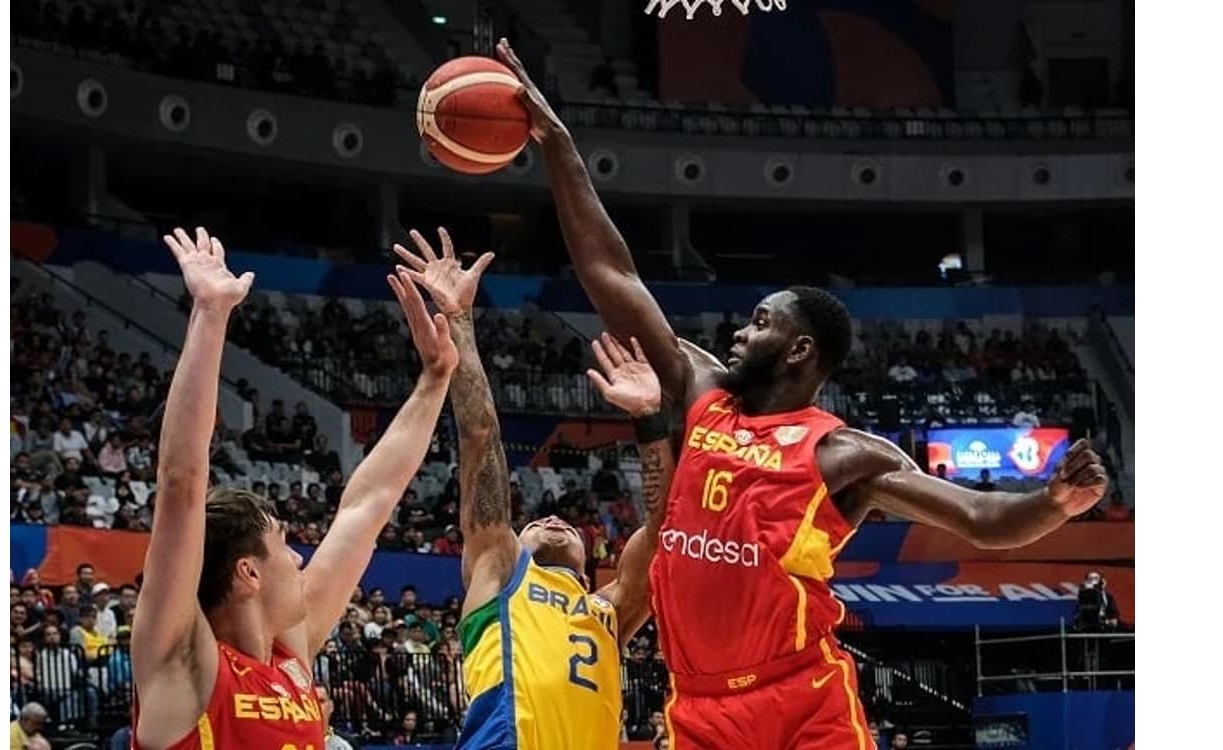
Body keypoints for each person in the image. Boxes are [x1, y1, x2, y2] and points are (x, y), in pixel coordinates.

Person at [495, 38, 1110, 749]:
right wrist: (560, 145)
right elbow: (614, 276)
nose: (737, 332)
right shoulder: (701, 392)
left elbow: (979, 517)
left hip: (799, 701)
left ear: (798, 350)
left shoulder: (843, 456)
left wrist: (1055, 502)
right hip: (697, 708)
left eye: (759, 323)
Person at [130, 227, 459, 749]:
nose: (300, 559)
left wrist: (436, 379)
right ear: (248, 573)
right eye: (284, 544)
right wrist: (212, 315)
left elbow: (366, 506)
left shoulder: (290, 657)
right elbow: (181, 483)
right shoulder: (185, 664)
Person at [392, 228, 675, 748]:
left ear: (592, 561)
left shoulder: (610, 611)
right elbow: (481, 438)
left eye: (565, 523)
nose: (551, 519)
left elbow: (665, 530)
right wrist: (459, 321)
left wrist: (649, 418)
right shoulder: (500, 569)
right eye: (535, 521)